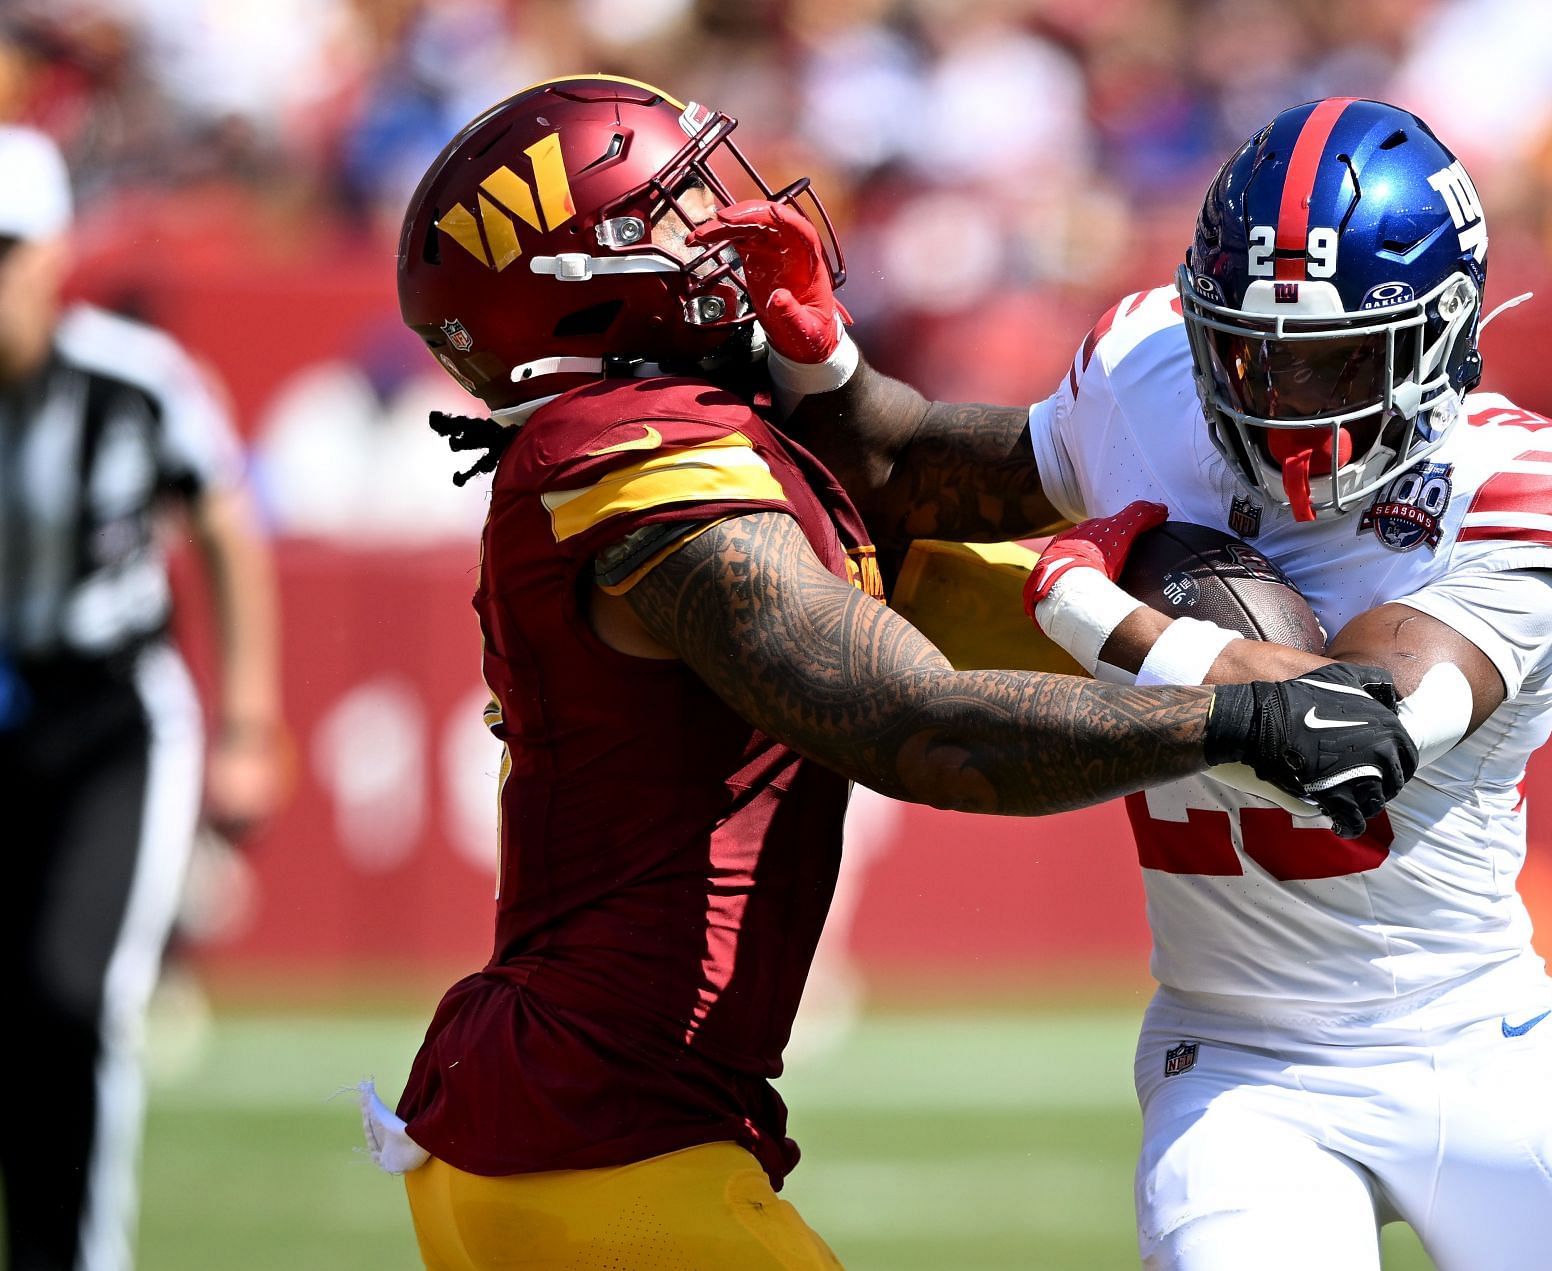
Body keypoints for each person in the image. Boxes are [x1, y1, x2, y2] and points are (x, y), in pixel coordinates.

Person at [362, 76, 1419, 1270]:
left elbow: (933, 472)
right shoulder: (631, 459)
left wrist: (827, 372)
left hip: (585, 1124)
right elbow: (914, 726)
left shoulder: (690, 426)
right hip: (597, 1138)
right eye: (669, 208)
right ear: (577, 277)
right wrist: (1229, 721)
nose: (720, 219)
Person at [699, 98, 1552, 1268]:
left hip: (1479, 1042)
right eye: (1249, 354)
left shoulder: (1528, 484)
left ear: (1443, 333)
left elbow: (1357, 734)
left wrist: (1091, 609)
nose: (1283, 406)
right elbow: (913, 464)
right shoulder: (1150, 371)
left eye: (1337, 362)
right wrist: (817, 354)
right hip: (1245, 1064)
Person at [0, 125, 284, 1271]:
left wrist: (251, 719)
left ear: (56, 251)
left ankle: (74, 1255)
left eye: (5, 250)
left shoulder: (132, 381)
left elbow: (223, 521)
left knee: (70, 999)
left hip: (107, 715)